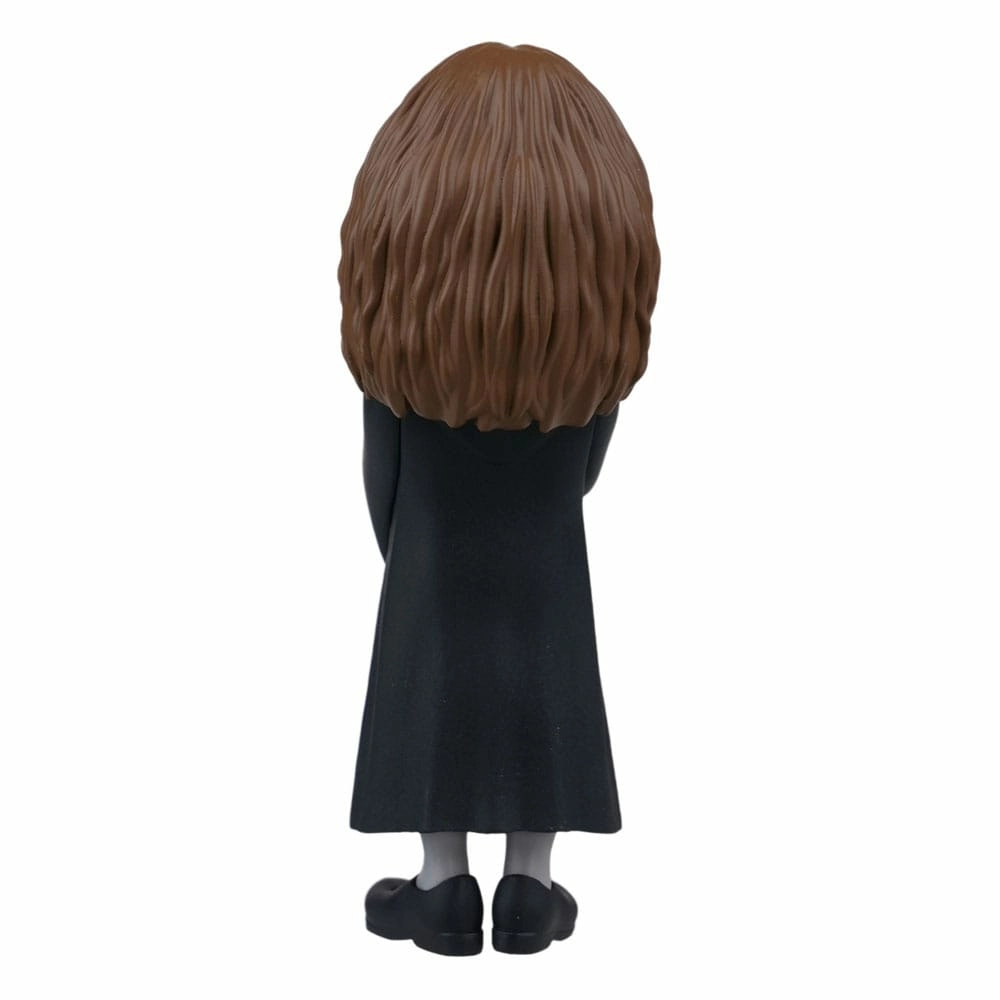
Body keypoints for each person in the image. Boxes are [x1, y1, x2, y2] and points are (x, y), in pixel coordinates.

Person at [338, 41, 660, 955]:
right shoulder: (584, 357)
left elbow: (380, 481)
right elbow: (588, 468)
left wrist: (408, 552)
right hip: (548, 563)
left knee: (429, 701)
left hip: (430, 560)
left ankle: (442, 883)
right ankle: (530, 885)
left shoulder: (405, 354)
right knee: (545, 699)